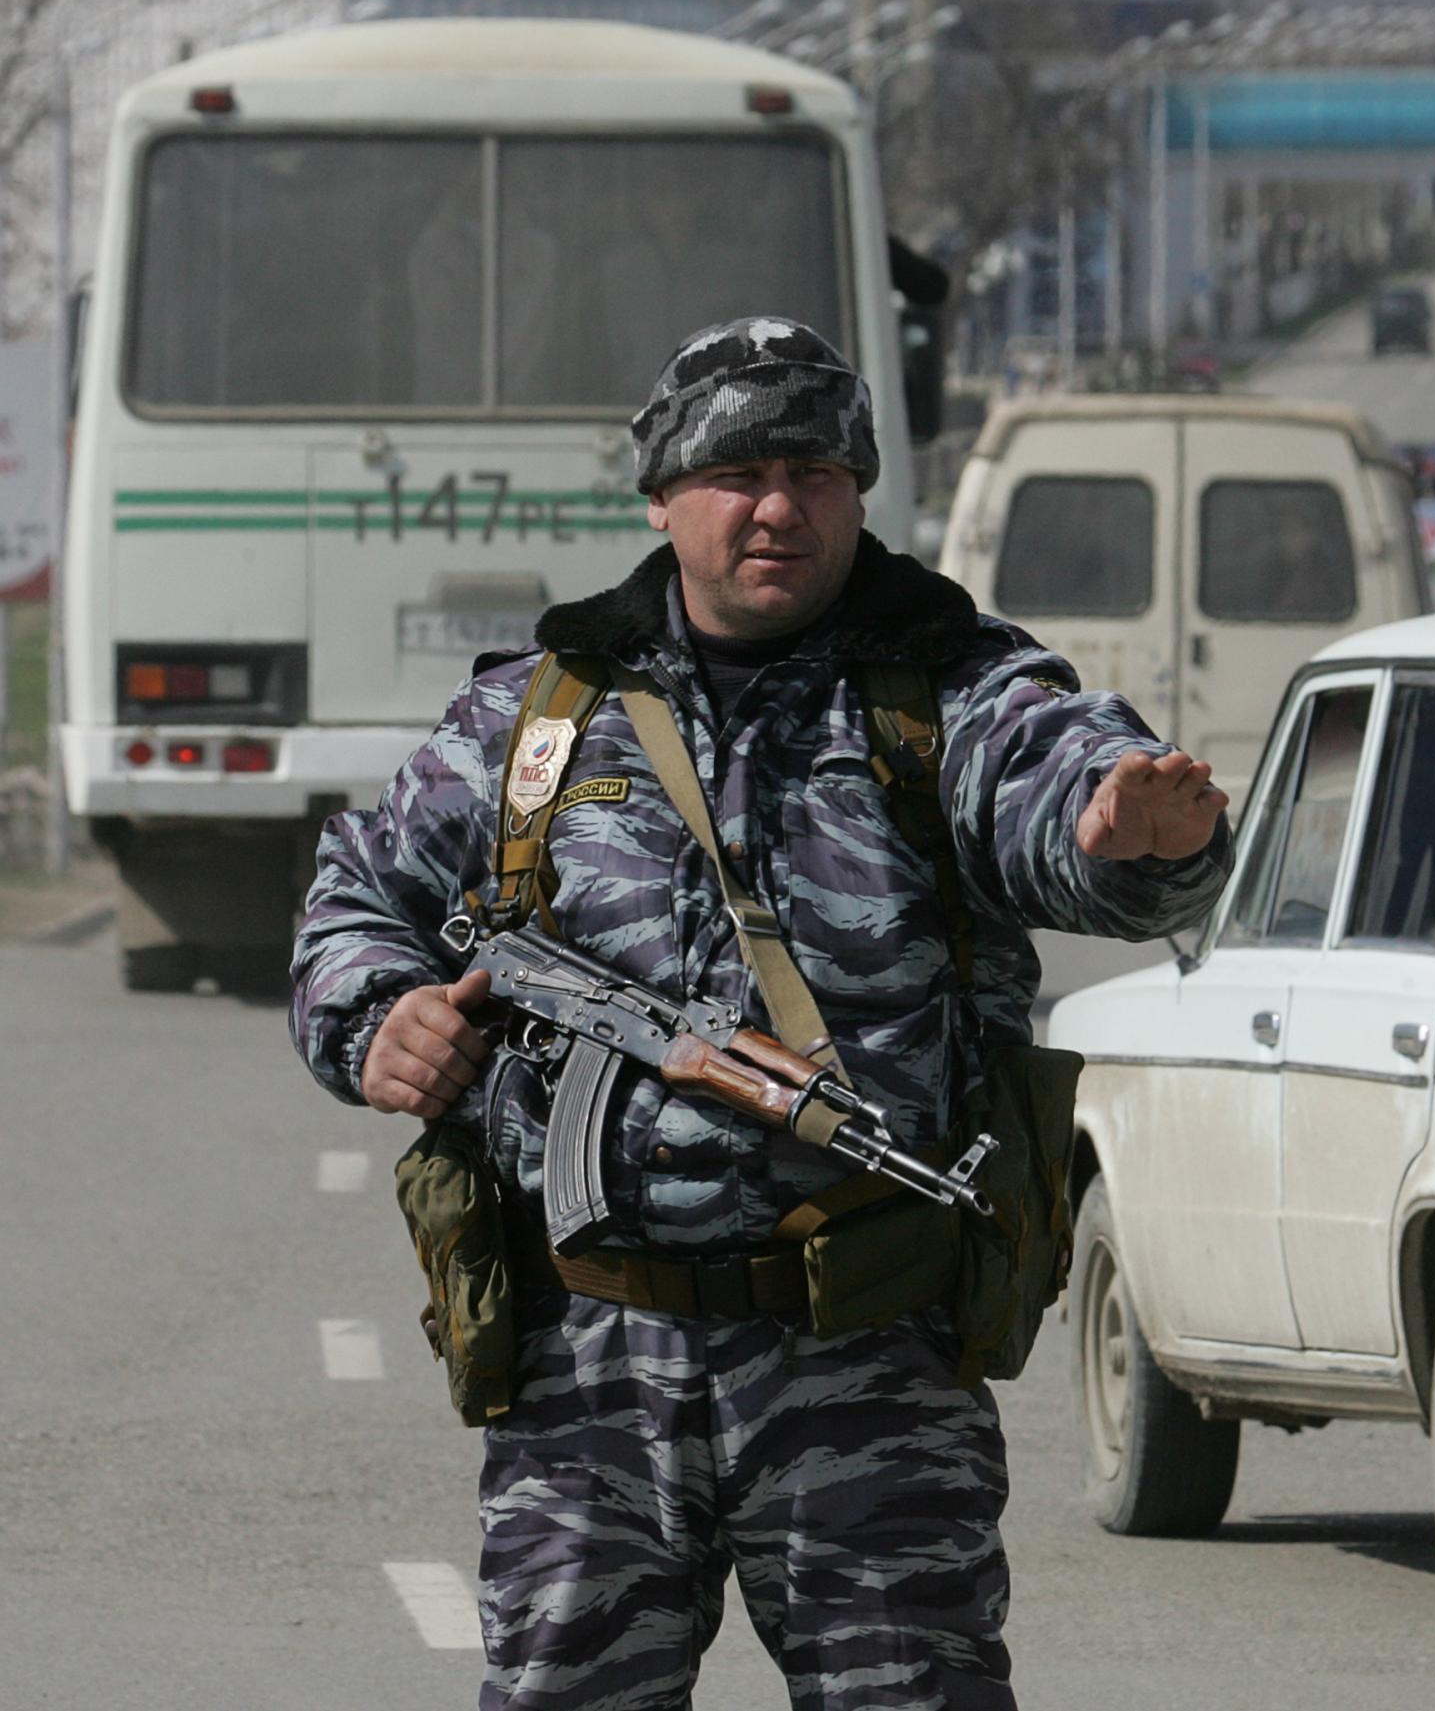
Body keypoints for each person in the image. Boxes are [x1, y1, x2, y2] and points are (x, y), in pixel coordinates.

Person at [289, 316, 1232, 1709]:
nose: (777, 505)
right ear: (664, 497)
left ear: (859, 493)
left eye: (815, 471)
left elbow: (1059, 797)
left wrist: (1130, 834)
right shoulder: (536, 722)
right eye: (737, 472)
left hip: (865, 1360)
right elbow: (350, 900)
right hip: (588, 1362)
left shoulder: (946, 695)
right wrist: (381, 1018)